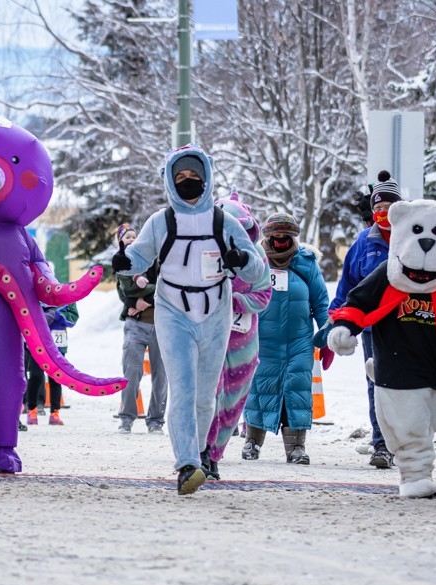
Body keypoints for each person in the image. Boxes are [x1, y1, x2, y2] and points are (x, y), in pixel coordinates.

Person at [113, 145, 265, 494]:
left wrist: (241, 258)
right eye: (180, 177)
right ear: (169, 180)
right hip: (173, 312)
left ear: (207, 178)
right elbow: (138, 257)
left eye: (194, 176)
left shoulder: (223, 222)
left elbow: (258, 272)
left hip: (216, 312)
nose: (188, 183)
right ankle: (186, 464)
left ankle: (198, 452)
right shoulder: (160, 222)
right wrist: (123, 263)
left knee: (204, 393)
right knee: (182, 389)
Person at [241, 213, 330, 465]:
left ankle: (296, 448)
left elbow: (321, 301)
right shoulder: (256, 260)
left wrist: (327, 332)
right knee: (259, 389)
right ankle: (251, 441)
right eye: (275, 236)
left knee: (297, 390)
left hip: (299, 341)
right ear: (268, 237)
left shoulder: (306, 262)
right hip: (261, 339)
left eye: (286, 236)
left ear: (294, 237)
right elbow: (242, 293)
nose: (280, 240)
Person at [328, 170, 401, 469]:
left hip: (408, 323)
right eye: (378, 209)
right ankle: (381, 444)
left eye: (388, 208)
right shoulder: (363, 242)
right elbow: (348, 285)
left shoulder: (411, 235)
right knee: (378, 384)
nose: (383, 214)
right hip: (374, 328)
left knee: (409, 385)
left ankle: (409, 441)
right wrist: (335, 320)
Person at [202, 192, 271, 479]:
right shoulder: (201, 252)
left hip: (242, 342)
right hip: (206, 337)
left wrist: (232, 301)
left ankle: (216, 452)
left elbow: (264, 294)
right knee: (207, 395)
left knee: (232, 400)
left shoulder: (257, 257)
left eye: (241, 228)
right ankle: (201, 452)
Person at [114, 222, 168, 434]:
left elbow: (166, 287)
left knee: (161, 374)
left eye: (135, 236)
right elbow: (124, 293)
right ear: (120, 241)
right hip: (135, 324)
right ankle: (126, 418)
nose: (133, 240)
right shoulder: (122, 263)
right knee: (131, 371)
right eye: (127, 237)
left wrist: (145, 300)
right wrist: (134, 303)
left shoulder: (156, 259)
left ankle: (156, 420)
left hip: (160, 324)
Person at [25, 302, 79, 426]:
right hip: (37, 343)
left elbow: (73, 318)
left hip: (57, 345)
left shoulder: (68, 295)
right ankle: (32, 410)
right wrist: (41, 316)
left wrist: (56, 315)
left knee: (56, 379)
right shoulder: (36, 291)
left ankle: (55, 413)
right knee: (35, 376)